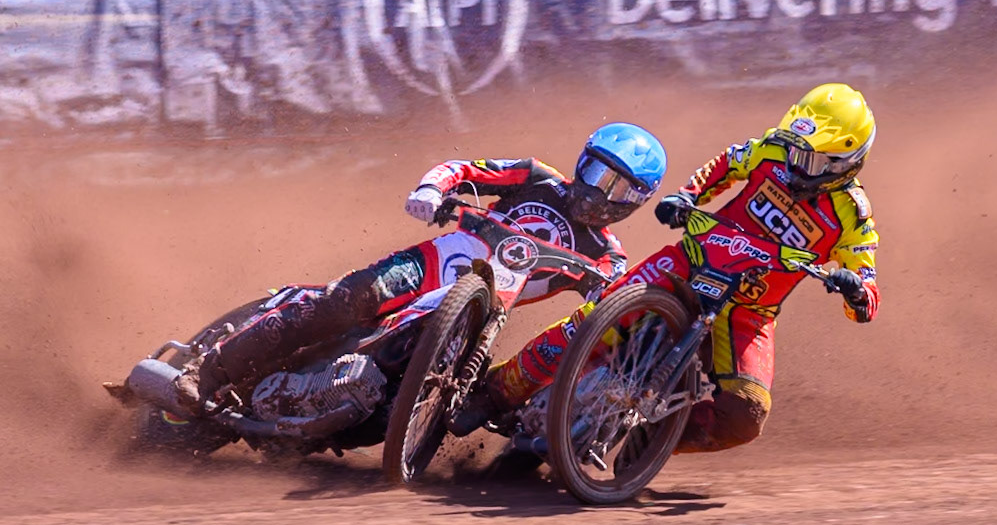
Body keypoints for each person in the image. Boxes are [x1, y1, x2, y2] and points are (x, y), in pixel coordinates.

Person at [455, 83, 880, 452]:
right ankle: (495, 392)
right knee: (590, 321)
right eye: (795, 149)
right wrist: (688, 196)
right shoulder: (773, 148)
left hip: (748, 313)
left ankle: (650, 443)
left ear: (845, 163)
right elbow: (727, 163)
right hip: (690, 262)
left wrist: (856, 292)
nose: (795, 164)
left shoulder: (853, 217)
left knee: (746, 414)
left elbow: (867, 290)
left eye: (811, 161)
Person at [173, 122, 668, 410]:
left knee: (454, 392)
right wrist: (432, 190)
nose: (600, 191)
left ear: (637, 201)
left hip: (479, 316)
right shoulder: (537, 177)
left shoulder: (608, 255)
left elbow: (612, 300)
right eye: (597, 172)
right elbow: (466, 169)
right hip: (428, 267)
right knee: (344, 301)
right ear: (582, 162)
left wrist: (614, 308)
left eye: (619, 187)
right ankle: (209, 371)